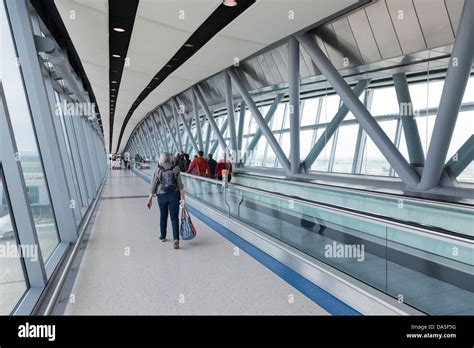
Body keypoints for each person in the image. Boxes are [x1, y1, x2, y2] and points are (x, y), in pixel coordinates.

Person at [146, 152, 185, 249]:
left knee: (163, 216)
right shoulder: (175, 169)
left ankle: (163, 236)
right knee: (174, 218)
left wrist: (149, 199)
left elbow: (154, 186)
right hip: (175, 195)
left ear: (161, 159)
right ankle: (176, 239)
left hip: (161, 196)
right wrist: (183, 199)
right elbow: (181, 186)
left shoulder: (158, 170)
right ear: (170, 158)